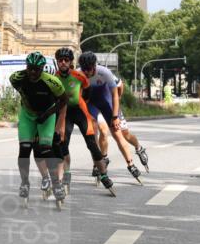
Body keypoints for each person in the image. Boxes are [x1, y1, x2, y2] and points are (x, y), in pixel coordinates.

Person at [51, 47, 114, 196]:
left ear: (71, 62)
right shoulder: (54, 78)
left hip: (80, 111)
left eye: (66, 60)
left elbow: (87, 92)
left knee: (92, 144)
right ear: (57, 62)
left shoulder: (79, 76)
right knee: (62, 144)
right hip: (64, 113)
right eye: (60, 60)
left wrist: (81, 102)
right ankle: (66, 174)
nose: (63, 63)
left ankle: (103, 174)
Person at [10, 51, 68, 207]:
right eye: (30, 68)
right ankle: (24, 183)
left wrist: (48, 113)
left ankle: (57, 185)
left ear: (43, 68)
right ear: (26, 66)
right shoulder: (16, 78)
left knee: (45, 149)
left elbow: (64, 100)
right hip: (28, 116)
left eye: (37, 69)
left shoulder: (52, 81)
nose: (33, 72)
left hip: (47, 115)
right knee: (24, 149)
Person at [78, 51, 143, 184]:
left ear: (94, 66)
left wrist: (115, 116)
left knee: (118, 134)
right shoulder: (78, 73)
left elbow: (115, 95)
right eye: (84, 69)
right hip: (91, 103)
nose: (87, 72)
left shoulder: (105, 72)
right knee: (94, 132)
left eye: (89, 69)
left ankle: (131, 164)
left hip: (106, 100)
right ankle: (98, 162)